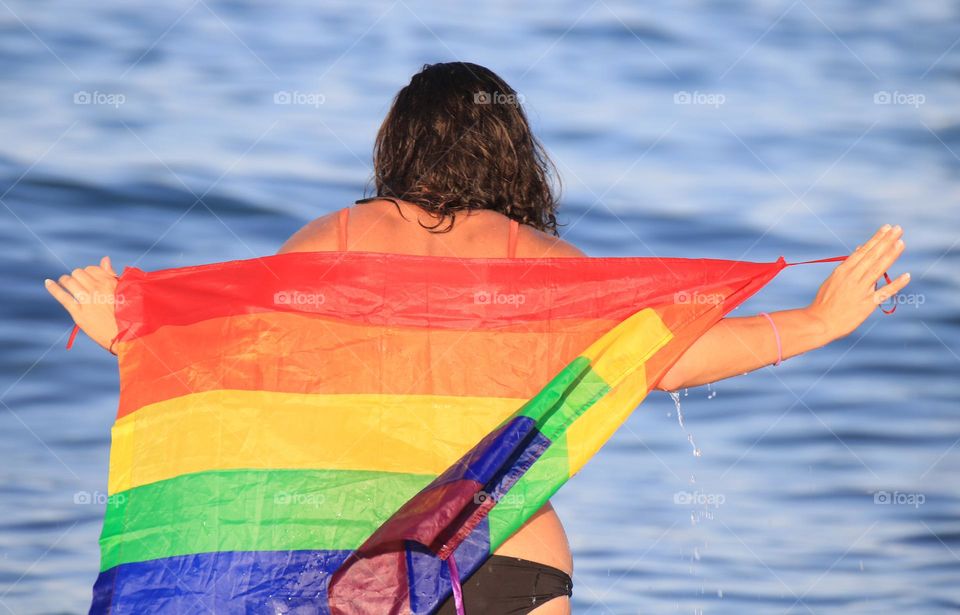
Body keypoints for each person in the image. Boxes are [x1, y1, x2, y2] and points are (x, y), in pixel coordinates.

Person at [45, 62, 909, 615]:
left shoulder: (328, 243)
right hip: (517, 561)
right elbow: (659, 362)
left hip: (373, 566)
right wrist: (817, 320)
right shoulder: (543, 263)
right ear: (511, 153)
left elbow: (240, 380)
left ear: (397, 147)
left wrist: (128, 332)